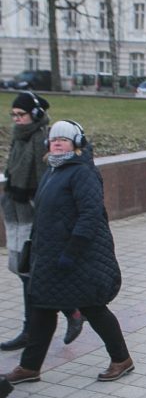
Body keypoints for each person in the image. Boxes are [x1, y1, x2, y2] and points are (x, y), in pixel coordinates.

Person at [1, 120, 133, 384]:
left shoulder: (82, 172)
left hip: (78, 256)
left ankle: (121, 359)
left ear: (77, 144)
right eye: (54, 139)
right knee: (42, 308)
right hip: (50, 256)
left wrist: (72, 252)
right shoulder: (53, 170)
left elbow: (90, 215)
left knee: (93, 308)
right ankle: (30, 367)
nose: (57, 143)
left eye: (64, 139)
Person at [1, 92, 84, 351]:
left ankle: (66, 314)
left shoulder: (40, 139)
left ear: (35, 114)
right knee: (22, 271)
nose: (17, 119)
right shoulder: (19, 137)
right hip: (15, 214)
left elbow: (47, 183)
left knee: (32, 275)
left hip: (34, 218)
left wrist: (27, 196)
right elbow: (13, 170)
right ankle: (62, 315)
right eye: (14, 115)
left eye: (21, 114)